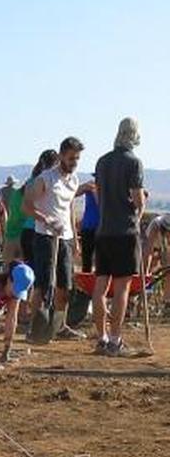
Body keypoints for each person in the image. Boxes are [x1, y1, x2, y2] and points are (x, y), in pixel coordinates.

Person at [91, 117, 147, 358]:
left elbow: (99, 195)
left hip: (103, 231)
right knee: (122, 286)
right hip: (124, 231)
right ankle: (115, 340)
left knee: (100, 285)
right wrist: (140, 208)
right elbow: (137, 198)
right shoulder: (133, 162)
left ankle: (101, 338)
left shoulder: (102, 162)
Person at [24, 136, 84, 338]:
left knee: (65, 286)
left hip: (65, 237)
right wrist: (47, 220)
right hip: (45, 237)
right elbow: (27, 206)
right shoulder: (46, 179)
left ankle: (59, 326)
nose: (73, 163)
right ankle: (36, 328)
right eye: (70, 158)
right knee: (43, 284)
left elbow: (70, 209)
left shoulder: (74, 180)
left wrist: (75, 238)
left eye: (76, 159)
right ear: (60, 156)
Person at [1, 175, 26, 265]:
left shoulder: (3, 191)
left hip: (10, 223)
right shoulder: (16, 192)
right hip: (20, 228)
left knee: (8, 262)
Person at [79, 181, 99, 273]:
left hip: (101, 228)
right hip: (87, 227)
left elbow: (101, 205)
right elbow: (72, 193)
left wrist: (96, 193)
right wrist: (83, 187)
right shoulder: (90, 186)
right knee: (87, 259)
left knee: (101, 261)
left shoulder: (108, 188)